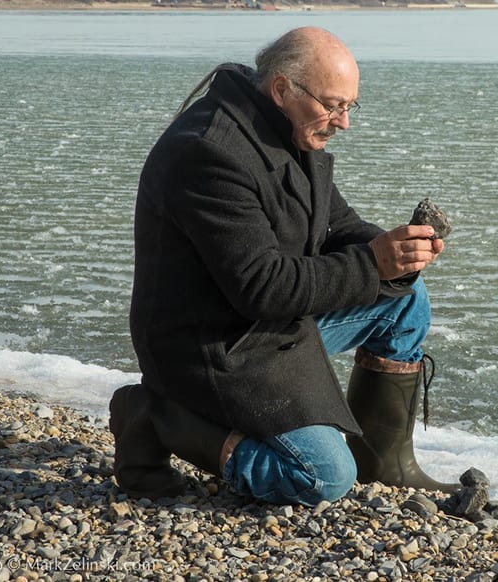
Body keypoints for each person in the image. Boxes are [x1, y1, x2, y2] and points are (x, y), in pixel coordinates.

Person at [108, 27, 459, 507]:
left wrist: (394, 254)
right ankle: (156, 416)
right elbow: (263, 287)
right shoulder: (209, 153)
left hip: (261, 326)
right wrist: (372, 262)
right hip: (208, 349)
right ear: (281, 89)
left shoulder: (287, 130)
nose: (344, 122)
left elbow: (337, 226)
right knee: (322, 477)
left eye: (350, 106)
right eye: (334, 105)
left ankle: (382, 461)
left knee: (405, 300)